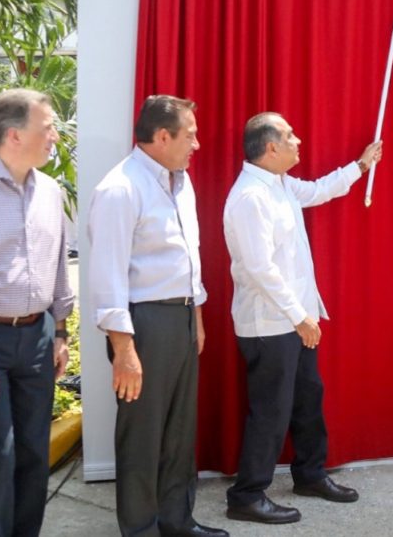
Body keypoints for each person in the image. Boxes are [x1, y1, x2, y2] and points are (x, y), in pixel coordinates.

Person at [223, 113, 382, 524]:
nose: (299, 140)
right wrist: (299, 317)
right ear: (271, 147)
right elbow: (260, 269)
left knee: (308, 398)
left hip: (296, 320)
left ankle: (309, 474)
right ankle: (247, 494)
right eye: (290, 136)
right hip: (271, 325)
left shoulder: (280, 185)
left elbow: (317, 191)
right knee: (271, 410)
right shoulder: (250, 197)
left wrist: (360, 166)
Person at [88, 95, 227, 537]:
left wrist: (197, 317)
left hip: (181, 319)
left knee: (178, 431)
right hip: (143, 324)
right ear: (162, 136)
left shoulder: (180, 182)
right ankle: (142, 528)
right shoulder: (121, 188)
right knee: (142, 436)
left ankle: (177, 521)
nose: (197, 144)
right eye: (190, 134)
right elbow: (108, 276)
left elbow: (190, 257)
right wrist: (124, 351)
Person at [0, 89, 74, 537]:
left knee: (31, 452)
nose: (55, 138)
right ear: (13, 134)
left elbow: (60, 265)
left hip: (40, 339)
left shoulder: (50, 191)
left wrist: (61, 331)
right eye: (46, 128)